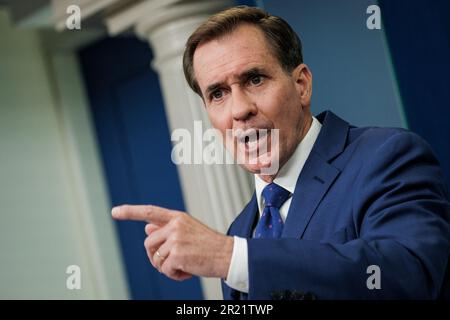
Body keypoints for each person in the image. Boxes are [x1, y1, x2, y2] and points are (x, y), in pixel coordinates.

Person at [111, 6, 450, 299]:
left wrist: (231, 257)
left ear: (301, 85)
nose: (239, 109)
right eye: (217, 94)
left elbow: (409, 277)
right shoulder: (241, 228)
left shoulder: (387, 156)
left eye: (255, 79)